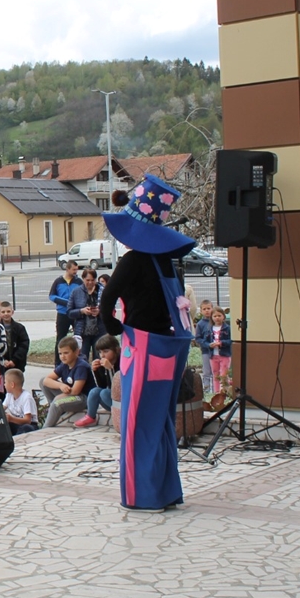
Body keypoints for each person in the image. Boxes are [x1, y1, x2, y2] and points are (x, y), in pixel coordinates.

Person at [99, 173, 197, 513]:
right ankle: (167, 490)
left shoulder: (131, 261)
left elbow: (106, 302)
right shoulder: (164, 262)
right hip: (169, 348)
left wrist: (118, 330)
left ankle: (145, 496)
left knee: (138, 423)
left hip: (142, 348)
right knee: (160, 421)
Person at [41, 336, 92, 428]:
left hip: (82, 398)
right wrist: (60, 385)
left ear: (76, 352)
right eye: (60, 353)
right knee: (43, 383)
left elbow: (76, 391)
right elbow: (46, 380)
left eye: (66, 353)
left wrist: (58, 398)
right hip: (70, 393)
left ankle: (46, 427)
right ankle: (56, 411)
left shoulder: (81, 366)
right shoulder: (64, 364)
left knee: (57, 403)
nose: (62, 356)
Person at [76, 334, 120, 429]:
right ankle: (90, 417)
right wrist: (96, 371)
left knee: (104, 393)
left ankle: (121, 417)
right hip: (110, 401)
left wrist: (110, 369)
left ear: (116, 350)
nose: (102, 355)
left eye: (106, 351)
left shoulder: (122, 363)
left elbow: (117, 389)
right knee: (95, 391)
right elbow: (102, 385)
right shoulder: (103, 364)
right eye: (100, 352)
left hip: (121, 403)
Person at [200, 307, 233, 395]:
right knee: (215, 374)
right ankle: (216, 393)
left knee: (223, 374)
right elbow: (204, 341)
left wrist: (221, 343)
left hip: (224, 355)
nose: (217, 318)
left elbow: (231, 340)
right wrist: (209, 345)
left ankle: (224, 393)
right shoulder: (209, 329)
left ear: (223, 317)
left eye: (219, 315)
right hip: (213, 355)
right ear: (212, 318)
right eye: (215, 316)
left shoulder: (227, 328)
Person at [2, 369, 37, 436]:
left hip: (30, 425)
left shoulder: (26, 397)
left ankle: (17, 442)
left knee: (26, 428)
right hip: (16, 423)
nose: (4, 385)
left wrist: (11, 418)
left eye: (5, 382)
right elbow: (1, 408)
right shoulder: (9, 395)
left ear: (12, 384)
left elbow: (27, 420)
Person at [0, 301, 29, 375]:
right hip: (0, 365)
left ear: (12, 312)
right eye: (3, 312)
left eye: (8, 311)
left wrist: (14, 360)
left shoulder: (20, 328)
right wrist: (3, 360)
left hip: (17, 365)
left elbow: (24, 345)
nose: (6, 314)